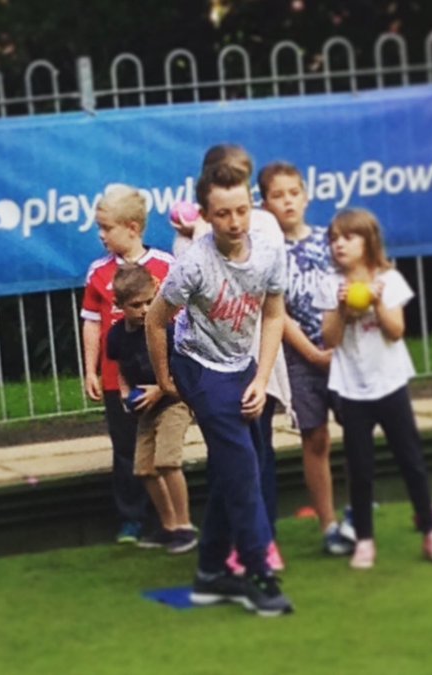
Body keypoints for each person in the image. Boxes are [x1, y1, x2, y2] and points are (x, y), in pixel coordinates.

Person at [147, 159, 293, 617]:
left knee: (242, 464)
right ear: (206, 217)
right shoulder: (192, 265)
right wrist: (165, 377)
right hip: (199, 368)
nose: (234, 222)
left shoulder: (270, 252)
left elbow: (272, 315)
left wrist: (262, 376)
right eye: (223, 214)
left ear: (251, 206)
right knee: (245, 471)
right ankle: (258, 573)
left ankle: (211, 571)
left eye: (241, 211)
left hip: (242, 365)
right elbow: (154, 320)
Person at [317, 208, 432, 570]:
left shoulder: (389, 279)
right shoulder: (330, 283)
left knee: (411, 459)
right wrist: (343, 309)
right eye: (334, 239)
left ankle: (431, 530)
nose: (339, 245)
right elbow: (329, 339)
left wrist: (376, 302)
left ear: (368, 242)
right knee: (359, 467)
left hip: (390, 382)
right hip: (352, 388)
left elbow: (396, 331)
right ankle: (364, 539)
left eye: (348, 237)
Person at [258, 160, 354, 556]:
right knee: (314, 437)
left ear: (306, 195)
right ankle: (328, 523)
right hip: (301, 360)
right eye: (277, 196)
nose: (287, 202)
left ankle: (358, 512)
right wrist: (313, 354)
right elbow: (278, 314)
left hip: (346, 354)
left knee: (360, 431)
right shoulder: (267, 251)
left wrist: (340, 344)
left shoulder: (330, 241)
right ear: (265, 203)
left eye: (293, 193)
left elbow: (353, 287)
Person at [81, 184, 174, 544]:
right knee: (126, 449)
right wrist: (90, 369)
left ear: (132, 228)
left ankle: (170, 517)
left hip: (160, 378)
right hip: (115, 379)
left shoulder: (166, 266)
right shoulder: (97, 273)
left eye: (106, 228)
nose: (101, 235)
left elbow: (181, 321)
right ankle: (132, 518)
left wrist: (173, 376)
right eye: (100, 228)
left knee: (163, 447)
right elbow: (92, 322)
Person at [106, 264, 197, 555]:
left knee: (167, 462)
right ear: (118, 305)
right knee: (144, 469)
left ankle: (184, 527)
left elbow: (179, 369)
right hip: (145, 407)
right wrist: (123, 393)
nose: (145, 310)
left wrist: (160, 389)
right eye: (136, 305)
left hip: (174, 400)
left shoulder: (166, 330)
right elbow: (120, 367)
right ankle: (168, 527)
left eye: (149, 301)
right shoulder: (116, 335)